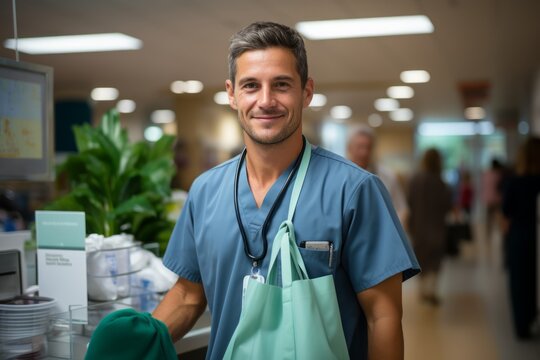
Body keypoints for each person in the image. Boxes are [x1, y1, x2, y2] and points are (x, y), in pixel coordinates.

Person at [153, 21, 420, 359]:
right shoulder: (205, 191)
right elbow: (189, 296)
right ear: (231, 94)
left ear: (306, 91)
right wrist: (141, 339)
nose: (266, 101)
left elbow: (383, 316)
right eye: (251, 85)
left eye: (281, 84)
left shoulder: (353, 190)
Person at [501, 136, 540, 339]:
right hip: (536, 235)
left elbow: (505, 214)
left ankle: (522, 326)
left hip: (520, 236)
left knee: (519, 282)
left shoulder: (515, 182)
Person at [407, 148, 452, 305]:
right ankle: (431, 290)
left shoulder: (415, 180)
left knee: (421, 260)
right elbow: (447, 205)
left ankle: (422, 291)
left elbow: (409, 203)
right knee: (435, 261)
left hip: (418, 227)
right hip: (437, 227)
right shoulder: (441, 182)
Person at [347, 125, 409, 225]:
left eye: (368, 147)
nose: (364, 152)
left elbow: (402, 209)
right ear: (349, 148)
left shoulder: (387, 176)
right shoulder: (339, 176)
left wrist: (391, 232)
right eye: (360, 147)